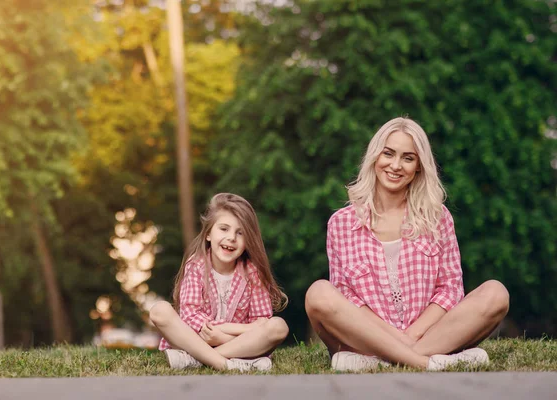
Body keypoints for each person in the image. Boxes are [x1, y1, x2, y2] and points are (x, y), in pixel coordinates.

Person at [305, 117, 510, 371]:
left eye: (408, 158)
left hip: (428, 334)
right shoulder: (341, 223)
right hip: (366, 338)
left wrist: (411, 337)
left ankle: (382, 362)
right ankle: (430, 363)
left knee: (495, 293)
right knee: (318, 293)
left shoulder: (438, 217)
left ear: (419, 167)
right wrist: (393, 337)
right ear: (374, 158)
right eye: (388, 154)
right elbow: (347, 298)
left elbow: (450, 290)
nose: (395, 165)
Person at [150, 193, 289, 371]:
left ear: (248, 241)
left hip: (236, 344)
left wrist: (221, 335)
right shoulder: (196, 264)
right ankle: (227, 364)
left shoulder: (253, 271)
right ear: (208, 234)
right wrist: (223, 333)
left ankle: (197, 360)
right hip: (197, 338)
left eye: (240, 233)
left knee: (279, 326)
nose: (231, 237)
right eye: (224, 229)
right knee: (159, 311)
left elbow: (261, 322)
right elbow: (190, 316)